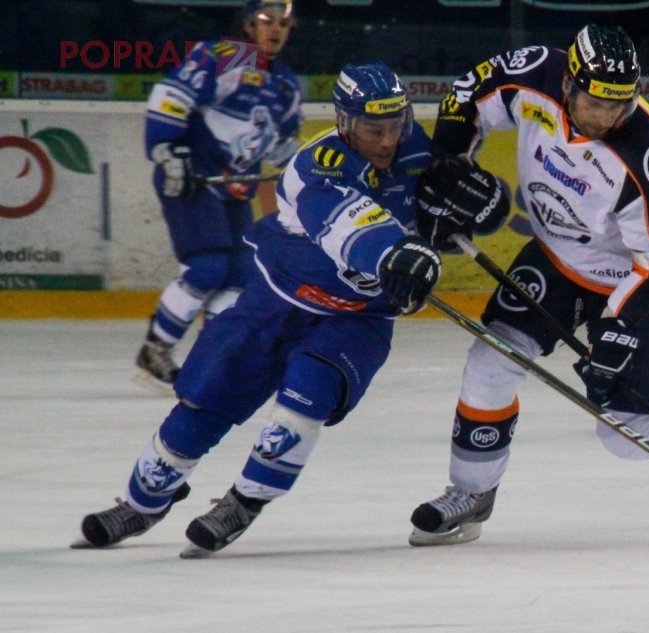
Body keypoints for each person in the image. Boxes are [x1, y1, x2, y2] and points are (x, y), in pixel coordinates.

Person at [408, 24, 649, 546]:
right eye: (595, 103)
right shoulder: (537, 74)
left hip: (639, 287)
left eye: (618, 105)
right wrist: (448, 165)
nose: (605, 117)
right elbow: (467, 95)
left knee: (626, 433)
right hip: (556, 260)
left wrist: (619, 327)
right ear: (569, 84)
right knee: (491, 361)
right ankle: (471, 492)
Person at [73, 62, 442, 557]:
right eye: (374, 130)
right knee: (204, 401)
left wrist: (476, 209)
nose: (387, 141)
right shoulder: (316, 168)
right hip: (275, 300)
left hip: (357, 318)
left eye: (395, 126)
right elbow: (348, 227)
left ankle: (244, 501)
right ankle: (143, 503)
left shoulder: (418, 152)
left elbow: (451, 216)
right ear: (344, 121)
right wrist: (395, 255)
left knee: (305, 400)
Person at [136, 0, 303, 391]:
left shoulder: (285, 83)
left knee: (241, 276)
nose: (275, 29)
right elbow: (171, 96)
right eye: (266, 20)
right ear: (247, 24)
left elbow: (283, 147)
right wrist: (166, 150)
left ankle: (210, 359)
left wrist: (309, 174)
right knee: (209, 268)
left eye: (284, 23)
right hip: (194, 179)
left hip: (234, 190)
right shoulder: (229, 56)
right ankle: (155, 350)